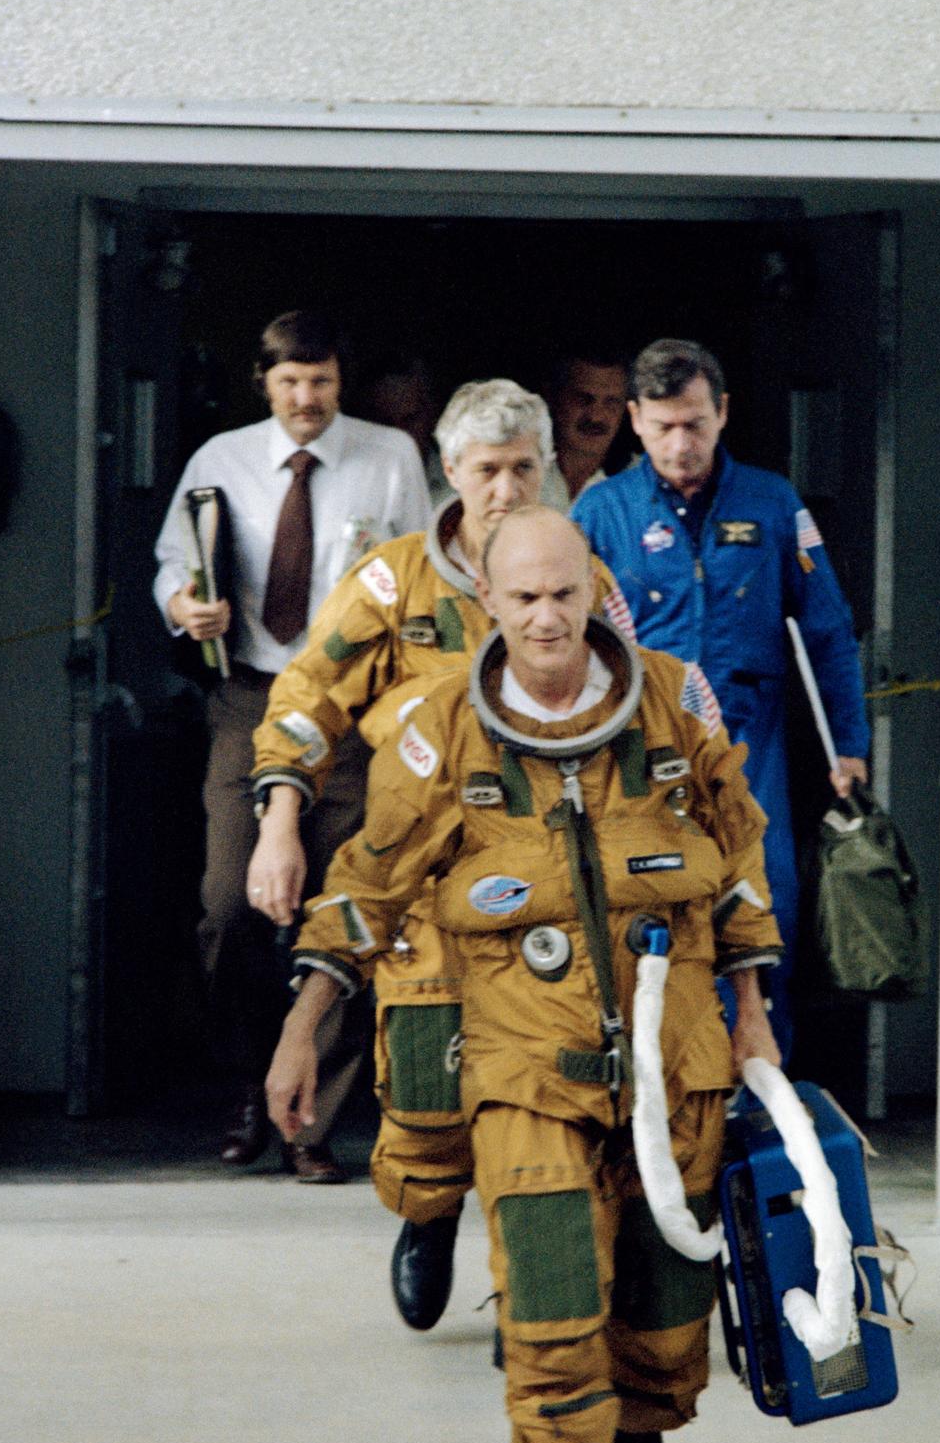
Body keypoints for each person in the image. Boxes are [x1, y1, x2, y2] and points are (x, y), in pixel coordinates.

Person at [265, 506, 782, 1443]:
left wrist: (751, 1017)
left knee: (658, 1321)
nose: (545, 620)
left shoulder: (674, 701)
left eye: (564, 595)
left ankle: (638, 1417)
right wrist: (305, 1023)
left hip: (673, 1070)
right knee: (551, 1324)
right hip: (524, 1076)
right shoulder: (439, 726)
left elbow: (737, 853)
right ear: (487, 605)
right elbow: (372, 880)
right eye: (522, 599)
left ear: (595, 591)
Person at [247, 381, 636, 1325]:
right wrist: (280, 820)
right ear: (450, 475)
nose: (506, 489)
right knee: (425, 1078)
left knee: (551, 1088)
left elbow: (634, 712)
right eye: (486, 470)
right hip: (421, 875)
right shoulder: (392, 584)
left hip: (548, 883)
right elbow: (307, 695)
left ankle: (529, 1284)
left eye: (523, 469)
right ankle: (428, 1213)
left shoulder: (584, 578)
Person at [153, 308, 430, 1179]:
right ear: (264, 385)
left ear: (340, 385)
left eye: (321, 383)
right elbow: (171, 561)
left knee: (341, 908)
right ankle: (246, 1083)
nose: (307, 399)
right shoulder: (220, 460)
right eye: (290, 384)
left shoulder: (388, 458)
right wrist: (182, 606)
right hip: (251, 695)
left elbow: (421, 575)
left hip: (354, 704)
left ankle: (312, 1120)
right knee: (231, 902)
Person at [573, 337, 870, 1063]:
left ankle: (763, 1100)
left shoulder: (772, 503)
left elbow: (828, 630)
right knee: (644, 911)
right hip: (637, 747)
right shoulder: (600, 512)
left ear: (723, 413)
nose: (682, 443)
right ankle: (662, 1094)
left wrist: (850, 748)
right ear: (636, 420)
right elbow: (564, 643)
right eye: (666, 425)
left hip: (749, 741)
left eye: (697, 424)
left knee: (767, 910)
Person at [539, 352, 629, 510]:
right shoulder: (518, 467)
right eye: (582, 399)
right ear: (552, 397)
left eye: (611, 402)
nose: (596, 417)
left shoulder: (640, 480)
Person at [362, 356, 449, 506]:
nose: (400, 435)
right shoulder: (353, 487)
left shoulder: (463, 484)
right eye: (387, 424)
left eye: (410, 420)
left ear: (432, 416)